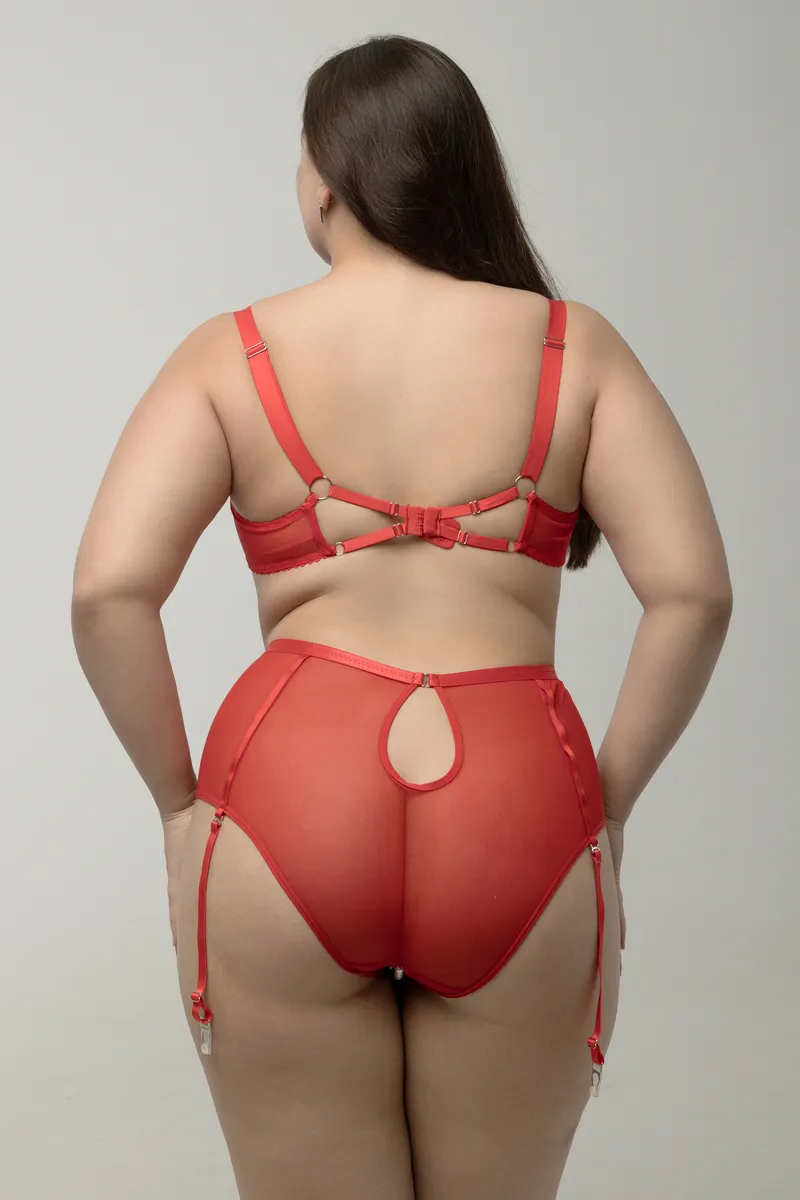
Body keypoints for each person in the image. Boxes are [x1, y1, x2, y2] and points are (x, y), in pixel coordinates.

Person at [71, 32, 733, 1200]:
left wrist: (179, 810)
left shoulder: (230, 354)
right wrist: (609, 807)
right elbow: (693, 592)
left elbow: (106, 591)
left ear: (327, 177)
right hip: (516, 802)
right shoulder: (572, 348)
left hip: (288, 798)